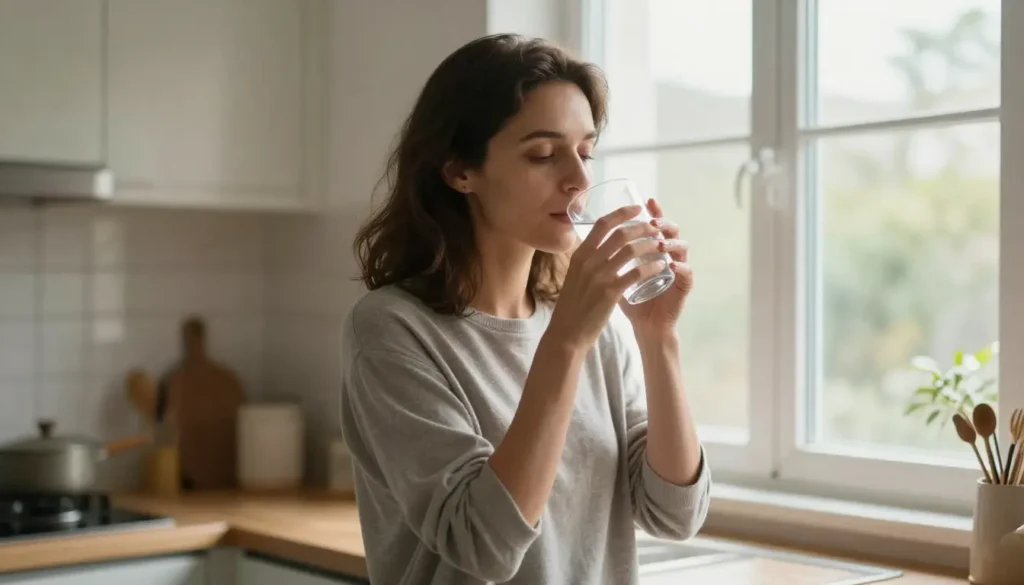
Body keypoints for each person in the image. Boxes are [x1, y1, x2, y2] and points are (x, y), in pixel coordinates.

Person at [339, 33, 710, 585]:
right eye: (543, 154)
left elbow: (674, 513)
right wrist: (565, 342)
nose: (581, 179)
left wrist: (659, 338)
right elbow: (483, 546)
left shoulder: (597, 329)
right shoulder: (392, 330)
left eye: (586, 151)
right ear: (460, 170)